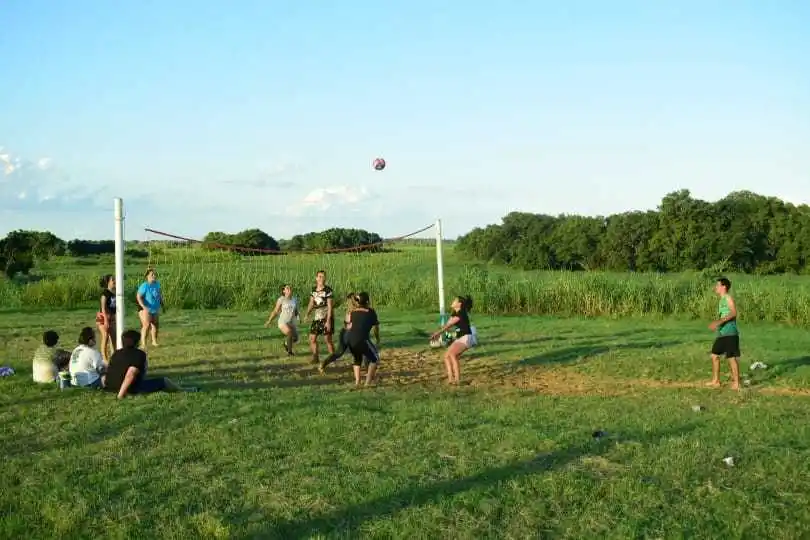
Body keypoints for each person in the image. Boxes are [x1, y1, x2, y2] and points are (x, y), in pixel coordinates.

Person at [104, 329, 186, 398]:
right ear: (137, 343)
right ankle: (183, 390)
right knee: (164, 381)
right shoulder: (139, 354)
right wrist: (120, 395)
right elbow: (130, 374)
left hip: (110, 387)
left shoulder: (116, 353)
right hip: (129, 389)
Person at [431, 295, 477, 385]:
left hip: (466, 338)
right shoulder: (455, 313)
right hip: (460, 338)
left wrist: (437, 333)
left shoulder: (461, 313)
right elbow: (447, 325)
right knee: (446, 356)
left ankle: (457, 380)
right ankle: (451, 380)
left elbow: (448, 325)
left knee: (452, 355)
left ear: (459, 304)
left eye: (455, 300)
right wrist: (437, 333)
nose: (453, 301)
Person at [707, 277, 741, 390]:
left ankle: (737, 383)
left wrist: (718, 322)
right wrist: (718, 325)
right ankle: (716, 381)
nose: (715, 287)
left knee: (731, 357)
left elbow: (734, 313)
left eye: (717, 285)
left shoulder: (728, 298)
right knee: (714, 355)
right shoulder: (721, 300)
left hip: (730, 333)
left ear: (724, 287)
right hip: (722, 333)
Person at [346, 292, 381, 386]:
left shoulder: (353, 311)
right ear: (367, 301)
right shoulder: (371, 312)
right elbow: (376, 329)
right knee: (375, 359)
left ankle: (357, 382)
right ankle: (367, 382)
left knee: (357, 359)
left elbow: (348, 325)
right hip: (363, 339)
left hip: (351, 340)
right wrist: (377, 339)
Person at [319, 292, 358, 372]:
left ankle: (324, 363)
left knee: (339, 353)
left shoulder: (349, 310)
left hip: (344, 332)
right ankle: (363, 367)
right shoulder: (355, 311)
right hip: (350, 334)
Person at [305, 270, 335, 364]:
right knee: (312, 338)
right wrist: (307, 314)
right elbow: (311, 303)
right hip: (317, 317)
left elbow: (330, 306)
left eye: (323, 276)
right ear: (316, 278)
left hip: (326, 317)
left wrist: (328, 321)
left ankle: (332, 359)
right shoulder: (313, 290)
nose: (321, 278)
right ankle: (315, 357)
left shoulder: (328, 290)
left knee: (327, 340)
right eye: (320, 276)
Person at [265, 284, 300, 356]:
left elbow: (295, 310)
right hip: (283, 322)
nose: (289, 289)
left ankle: (286, 344)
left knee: (295, 338)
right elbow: (275, 311)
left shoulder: (294, 299)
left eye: (290, 288)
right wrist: (269, 321)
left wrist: (299, 317)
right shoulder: (281, 299)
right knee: (289, 333)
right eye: (287, 288)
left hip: (291, 322)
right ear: (284, 291)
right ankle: (290, 352)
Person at [136, 268, 164, 351]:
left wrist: (162, 304)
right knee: (146, 325)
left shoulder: (157, 284)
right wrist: (144, 307)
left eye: (155, 274)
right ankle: (143, 344)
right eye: (152, 274)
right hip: (145, 309)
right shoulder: (144, 285)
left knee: (155, 324)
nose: (154, 276)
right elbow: (138, 297)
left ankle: (154, 341)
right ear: (147, 276)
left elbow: (159, 295)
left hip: (155, 308)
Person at [96, 274, 116, 363]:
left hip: (111, 318)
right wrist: (106, 321)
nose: (115, 281)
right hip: (103, 318)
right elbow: (103, 308)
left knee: (114, 338)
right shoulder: (105, 293)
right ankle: (104, 358)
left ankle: (114, 356)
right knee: (105, 337)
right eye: (113, 280)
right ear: (108, 282)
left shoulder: (115, 293)